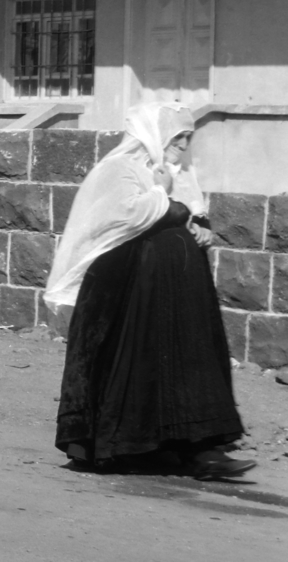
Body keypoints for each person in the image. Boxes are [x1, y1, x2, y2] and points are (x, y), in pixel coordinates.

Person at [45, 101, 252, 479]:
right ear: (155, 135)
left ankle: (198, 449)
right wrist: (162, 195)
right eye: (179, 137)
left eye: (189, 137)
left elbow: (184, 212)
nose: (185, 145)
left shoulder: (172, 173)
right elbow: (126, 217)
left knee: (184, 362)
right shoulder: (117, 169)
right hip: (128, 296)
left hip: (172, 296)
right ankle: (133, 446)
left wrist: (194, 226)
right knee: (137, 364)